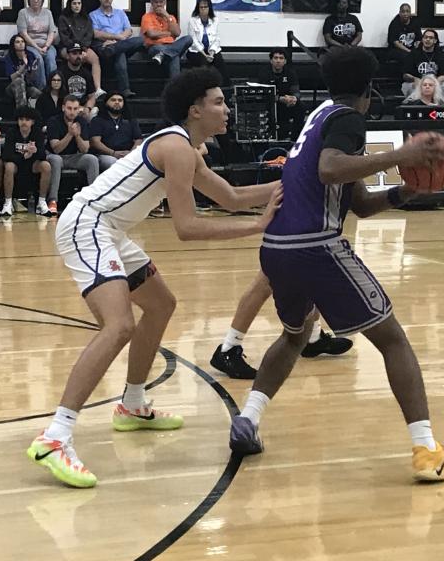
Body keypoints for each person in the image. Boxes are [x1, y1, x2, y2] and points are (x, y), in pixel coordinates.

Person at [25, 68, 284, 489]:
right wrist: (257, 227)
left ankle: (131, 405)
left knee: (161, 304)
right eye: (218, 102)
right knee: (119, 324)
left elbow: (232, 197)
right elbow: (187, 226)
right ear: (195, 110)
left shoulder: (188, 150)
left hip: (110, 230)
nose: (226, 109)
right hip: (88, 224)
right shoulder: (177, 148)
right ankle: (56, 435)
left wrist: (292, 179)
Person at [224, 46, 444, 483]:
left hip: (277, 246)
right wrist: (402, 156)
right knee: (393, 341)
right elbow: (329, 170)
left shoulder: (320, 116)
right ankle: (425, 449)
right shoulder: (348, 119)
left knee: (294, 335)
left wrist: (406, 191)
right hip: (314, 245)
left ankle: (248, 418)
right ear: (371, 92)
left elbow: (358, 204)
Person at [209, 270, 364, 379]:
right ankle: (228, 349)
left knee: (313, 273)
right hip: (286, 230)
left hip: (304, 228)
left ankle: (313, 339)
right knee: (266, 280)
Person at [45, 95, 100, 215]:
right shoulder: (53, 121)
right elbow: (56, 149)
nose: (72, 112)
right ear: (63, 107)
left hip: (73, 157)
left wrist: (77, 136)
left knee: (91, 159)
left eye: (75, 109)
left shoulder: (82, 122)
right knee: (56, 160)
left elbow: (85, 149)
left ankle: (95, 199)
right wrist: (70, 134)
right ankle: (53, 200)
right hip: (55, 157)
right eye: (69, 108)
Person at [90, 0, 143, 96]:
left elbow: (128, 30)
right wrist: (117, 38)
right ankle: (125, 90)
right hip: (104, 48)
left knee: (141, 39)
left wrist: (116, 41)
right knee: (120, 54)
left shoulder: (120, 13)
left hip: (112, 47)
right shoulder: (93, 15)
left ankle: (114, 49)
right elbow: (96, 34)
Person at [0, 106, 49, 217]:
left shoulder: (38, 133)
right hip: (17, 164)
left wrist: (35, 152)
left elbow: (43, 155)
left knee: (46, 166)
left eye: (27, 120)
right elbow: (7, 155)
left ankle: (41, 202)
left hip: (32, 165)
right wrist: (24, 157)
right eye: (21, 119)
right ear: (17, 121)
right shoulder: (11, 133)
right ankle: (7, 203)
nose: (24, 122)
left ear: (32, 122)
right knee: (9, 167)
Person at [58, 0, 103, 95]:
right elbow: (64, 37)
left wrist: (83, 49)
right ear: (70, 4)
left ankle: (98, 88)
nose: (77, 6)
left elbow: (89, 35)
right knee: (73, 57)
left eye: (79, 3)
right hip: (67, 47)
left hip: (84, 48)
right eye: (74, 3)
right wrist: (75, 49)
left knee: (95, 59)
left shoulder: (86, 18)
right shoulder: (63, 18)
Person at [141, 0, 193, 79]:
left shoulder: (170, 17)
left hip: (171, 45)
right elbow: (152, 34)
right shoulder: (147, 17)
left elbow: (177, 33)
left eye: (161, 2)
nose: (158, 4)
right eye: (156, 2)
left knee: (188, 38)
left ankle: (163, 54)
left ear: (164, 3)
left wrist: (167, 16)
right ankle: (175, 88)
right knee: (174, 56)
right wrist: (169, 33)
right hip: (155, 46)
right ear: (152, 4)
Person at [258, 49, 304, 140]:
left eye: (281, 58)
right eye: (275, 58)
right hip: (270, 104)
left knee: (301, 107)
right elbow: (262, 94)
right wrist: (279, 98)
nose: (278, 61)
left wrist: (294, 98)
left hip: (286, 104)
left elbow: (296, 91)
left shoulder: (290, 73)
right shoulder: (264, 73)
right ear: (271, 60)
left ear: (285, 61)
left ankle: (295, 138)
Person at [89, 92, 142, 171]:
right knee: (113, 162)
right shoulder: (97, 120)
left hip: (128, 154)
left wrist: (131, 153)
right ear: (106, 103)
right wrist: (113, 153)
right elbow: (95, 142)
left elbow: (138, 139)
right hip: (105, 155)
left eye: (120, 100)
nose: (117, 102)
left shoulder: (131, 120)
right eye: (113, 100)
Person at [18, 0, 58, 84]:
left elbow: (52, 32)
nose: (35, 1)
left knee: (51, 60)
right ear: (29, 0)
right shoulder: (23, 13)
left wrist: (46, 46)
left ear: (42, 0)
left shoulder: (48, 13)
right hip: (30, 45)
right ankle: (42, 89)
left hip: (47, 45)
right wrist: (37, 48)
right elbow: (23, 33)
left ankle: (54, 87)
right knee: (38, 59)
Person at [402, 29, 444, 97]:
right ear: (422, 39)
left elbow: (443, 75)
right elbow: (405, 75)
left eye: (431, 38)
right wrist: (414, 79)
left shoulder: (439, 54)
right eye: (425, 37)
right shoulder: (413, 53)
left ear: (435, 41)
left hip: (434, 82)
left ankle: (440, 106)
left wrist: (434, 84)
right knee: (411, 88)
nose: (427, 39)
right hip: (417, 82)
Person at [187, 0, 227, 78]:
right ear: (198, 8)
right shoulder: (192, 21)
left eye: (205, 7)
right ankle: (204, 88)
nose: (203, 9)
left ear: (209, 8)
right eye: (201, 7)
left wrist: (211, 53)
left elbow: (217, 39)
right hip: (197, 51)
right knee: (204, 63)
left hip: (212, 49)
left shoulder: (215, 20)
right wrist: (205, 55)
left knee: (220, 63)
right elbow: (193, 41)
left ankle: (224, 87)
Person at [2, 33, 44, 108]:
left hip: (27, 85)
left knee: (39, 94)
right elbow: (12, 78)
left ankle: (36, 116)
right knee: (19, 81)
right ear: (13, 45)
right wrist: (24, 66)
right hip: (11, 87)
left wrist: (33, 69)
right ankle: (22, 113)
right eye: (17, 42)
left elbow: (32, 78)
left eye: (22, 41)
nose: (21, 43)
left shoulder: (30, 55)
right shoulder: (9, 57)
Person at [58, 44, 98, 112]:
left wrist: (88, 108)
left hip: (83, 107)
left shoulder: (87, 73)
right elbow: (60, 98)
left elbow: (92, 96)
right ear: (67, 56)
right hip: (67, 107)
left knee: (94, 111)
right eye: (74, 53)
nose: (78, 56)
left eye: (80, 53)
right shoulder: (60, 73)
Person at [387, 3, 422, 70]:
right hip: (396, 49)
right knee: (407, 56)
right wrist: (409, 51)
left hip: (411, 48)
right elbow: (395, 42)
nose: (405, 14)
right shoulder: (394, 24)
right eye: (403, 12)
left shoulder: (415, 23)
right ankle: (406, 74)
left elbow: (419, 39)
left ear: (410, 13)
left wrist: (417, 46)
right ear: (400, 13)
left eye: (407, 11)